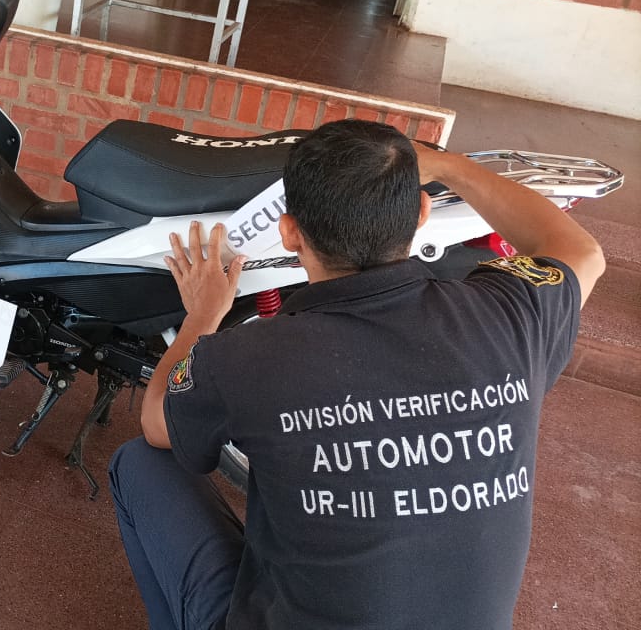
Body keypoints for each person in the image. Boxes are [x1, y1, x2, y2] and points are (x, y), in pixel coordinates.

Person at [109, 119, 604, 630]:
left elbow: (156, 422)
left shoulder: (247, 357)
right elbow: (583, 253)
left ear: (290, 232)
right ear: (422, 214)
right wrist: (453, 167)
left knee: (140, 462)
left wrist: (202, 316)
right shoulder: (511, 314)